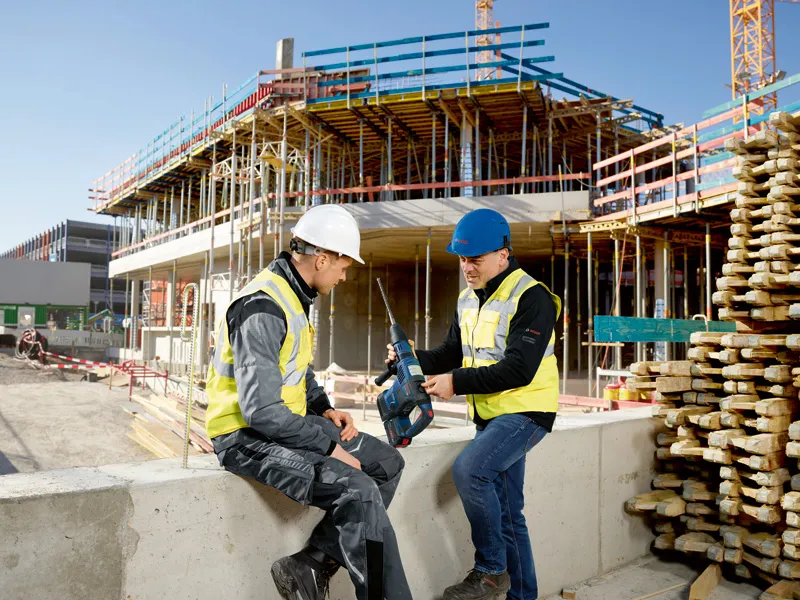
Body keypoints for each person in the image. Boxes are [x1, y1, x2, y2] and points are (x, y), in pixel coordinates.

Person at [206, 203, 411, 600]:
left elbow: (296, 368)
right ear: (321, 259)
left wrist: (323, 408)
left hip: (284, 425)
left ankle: (310, 564)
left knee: (386, 465)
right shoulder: (263, 306)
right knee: (357, 489)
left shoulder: (292, 297)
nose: (344, 276)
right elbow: (261, 411)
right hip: (244, 437)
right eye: (343, 266)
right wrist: (331, 447)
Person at [386, 208, 560, 600]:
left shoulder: (532, 298)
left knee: (470, 471)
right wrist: (411, 358)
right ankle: (522, 596)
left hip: (527, 411)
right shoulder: (468, 298)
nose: (467, 267)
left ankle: (491, 571)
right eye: (462, 259)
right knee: (510, 515)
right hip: (491, 415)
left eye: (475, 259)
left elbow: (519, 369)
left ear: (503, 254)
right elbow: (452, 352)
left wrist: (456, 382)